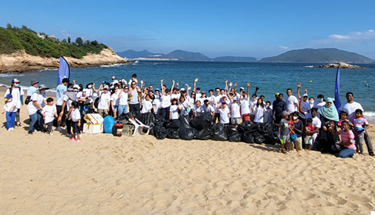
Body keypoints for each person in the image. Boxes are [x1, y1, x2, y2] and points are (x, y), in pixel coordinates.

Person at [339, 92, 373, 156]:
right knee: (353, 138)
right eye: (347, 96)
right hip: (350, 124)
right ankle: (355, 150)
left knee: (366, 137)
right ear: (346, 97)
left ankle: (371, 151)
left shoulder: (357, 104)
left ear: (353, 97)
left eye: (350, 96)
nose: (349, 97)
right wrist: (341, 123)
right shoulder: (343, 104)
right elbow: (341, 114)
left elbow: (361, 114)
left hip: (360, 124)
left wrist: (365, 123)